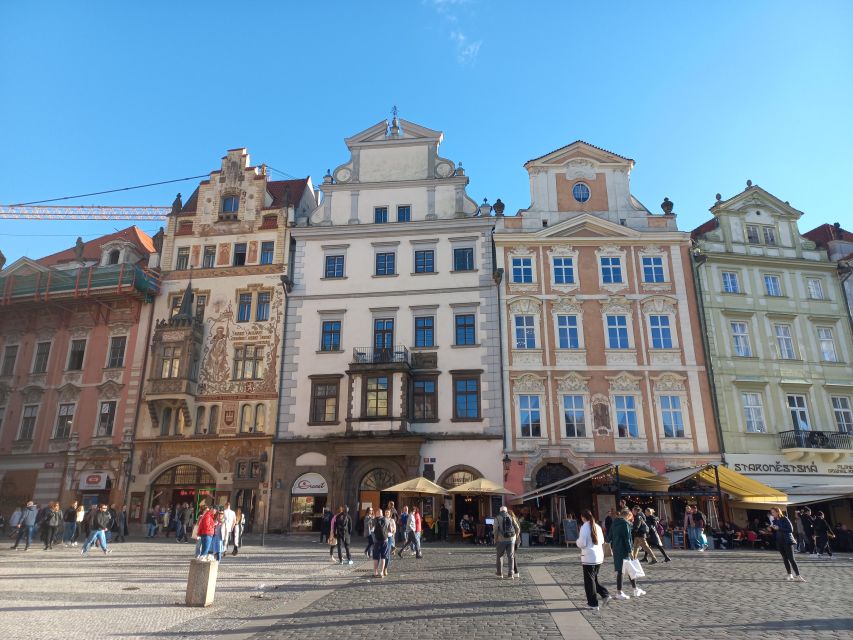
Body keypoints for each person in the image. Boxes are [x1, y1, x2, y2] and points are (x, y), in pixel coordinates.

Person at [577, 509, 611, 610]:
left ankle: (593, 603)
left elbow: (582, 543)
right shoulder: (597, 526)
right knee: (593, 579)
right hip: (598, 556)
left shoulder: (584, 527)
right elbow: (602, 541)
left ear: (583, 517)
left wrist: (577, 542)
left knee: (589, 581)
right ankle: (605, 594)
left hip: (589, 557)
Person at [610, 508, 643, 599]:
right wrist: (630, 551)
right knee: (623, 571)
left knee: (626, 570)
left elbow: (608, 537)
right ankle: (619, 592)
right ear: (628, 516)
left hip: (616, 549)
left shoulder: (614, 523)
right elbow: (627, 539)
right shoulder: (625, 524)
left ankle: (635, 589)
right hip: (624, 550)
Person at [769, 507, 804, 581]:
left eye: (773, 512)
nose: (772, 514)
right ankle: (789, 574)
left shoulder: (784, 518)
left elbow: (790, 530)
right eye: (771, 512)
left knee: (791, 559)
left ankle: (798, 575)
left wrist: (779, 528)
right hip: (779, 541)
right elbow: (776, 530)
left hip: (787, 541)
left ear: (778, 512)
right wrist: (772, 528)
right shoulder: (775, 520)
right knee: (785, 558)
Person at [494, 506, 519, 579]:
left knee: (500, 556)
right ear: (506, 511)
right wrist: (515, 537)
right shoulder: (511, 516)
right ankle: (510, 574)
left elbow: (495, 530)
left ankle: (499, 574)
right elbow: (517, 528)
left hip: (501, 540)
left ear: (500, 511)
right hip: (511, 540)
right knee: (511, 557)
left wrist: (495, 539)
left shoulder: (497, 518)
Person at [372, 508, 390, 577]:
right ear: (382, 513)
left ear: (377, 513)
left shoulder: (374, 520)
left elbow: (371, 529)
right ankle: (381, 572)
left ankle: (375, 572)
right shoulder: (386, 519)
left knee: (376, 557)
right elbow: (390, 529)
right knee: (383, 557)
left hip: (376, 540)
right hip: (385, 540)